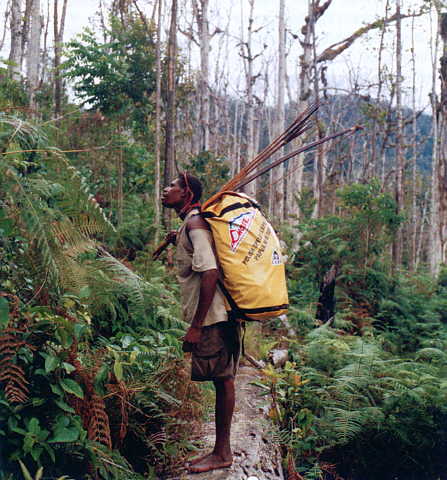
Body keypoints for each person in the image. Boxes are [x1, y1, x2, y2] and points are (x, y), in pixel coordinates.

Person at [161, 172, 240, 474]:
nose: (165, 189)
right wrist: (177, 238)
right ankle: (221, 451)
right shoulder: (191, 224)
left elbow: (209, 272)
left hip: (214, 317)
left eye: (173, 186)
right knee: (222, 378)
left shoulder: (195, 224)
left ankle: (222, 453)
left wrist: (196, 325)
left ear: (187, 194)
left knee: (223, 378)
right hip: (217, 315)